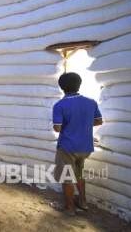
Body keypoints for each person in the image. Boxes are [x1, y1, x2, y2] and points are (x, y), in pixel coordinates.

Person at [52, 72, 103, 216]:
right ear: (79, 84)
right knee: (79, 174)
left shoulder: (60, 105)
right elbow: (99, 121)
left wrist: (71, 125)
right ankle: (83, 203)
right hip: (85, 147)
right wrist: (83, 124)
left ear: (61, 87)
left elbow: (57, 128)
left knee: (67, 177)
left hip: (68, 148)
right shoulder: (91, 102)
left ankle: (69, 208)